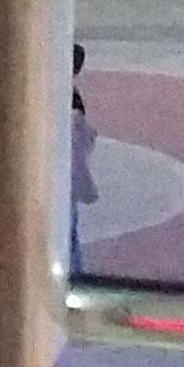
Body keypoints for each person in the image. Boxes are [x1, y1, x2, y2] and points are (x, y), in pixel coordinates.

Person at [68, 44, 100, 280]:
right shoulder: (72, 97)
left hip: (61, 176)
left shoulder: (69, 98)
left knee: (69, 229)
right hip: (65, 177)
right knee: (69, 230)